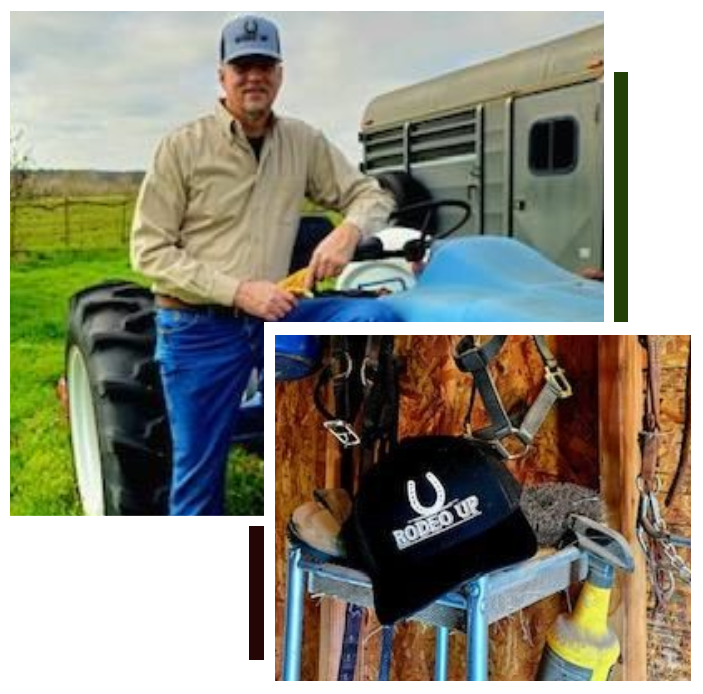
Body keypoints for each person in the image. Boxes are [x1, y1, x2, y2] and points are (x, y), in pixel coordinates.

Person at [131, 15, 398, 516]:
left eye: (264, 65)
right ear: (222, 75)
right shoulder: (182, 147)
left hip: (276, 313)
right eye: (242, 65)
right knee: (197, 478)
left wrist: (349, 230)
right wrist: (237, 291)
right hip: (197, 329)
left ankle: (349, 485)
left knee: (377, 316)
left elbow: (370, 193)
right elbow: (150, 251)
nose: (253, 76)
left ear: (279, 73)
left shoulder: (302, 141)